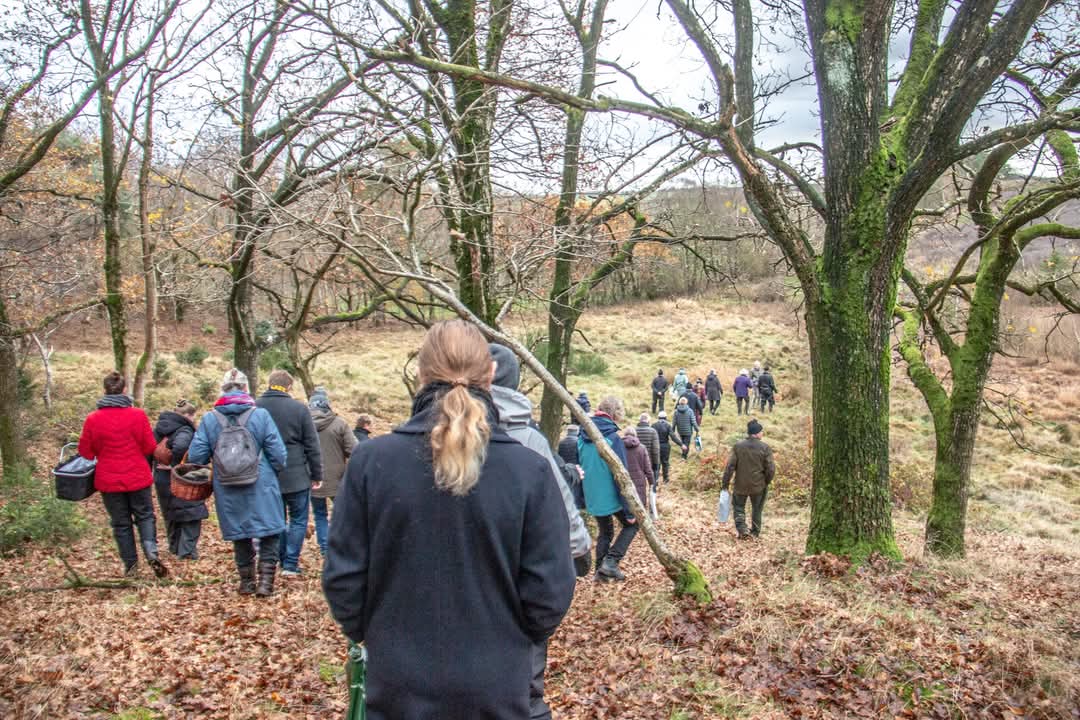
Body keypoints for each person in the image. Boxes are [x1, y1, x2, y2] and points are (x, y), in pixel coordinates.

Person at [323, 321, 575, 720]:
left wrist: (383, 637)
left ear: (421, 375)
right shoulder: (530, 471)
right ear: (490, 376)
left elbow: (343, 579)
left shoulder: (372, 463)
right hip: (497, 686)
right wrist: (509, 640)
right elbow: (550, 590)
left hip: (398, 684)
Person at [487, 343, 591, 720]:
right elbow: (562, 506)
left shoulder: (446, 432)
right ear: (514, 383)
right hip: (519, 578)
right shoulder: (529, 440)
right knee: (525, 686)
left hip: (465, 580)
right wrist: (580, 551)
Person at [188, 368, 288, 596]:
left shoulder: (210, 419)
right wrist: (273, 471)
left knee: (240, 531)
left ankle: (246, 582)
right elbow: (278, 454)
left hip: (227, 483)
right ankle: (266, 582)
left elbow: (196, 456)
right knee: (269, 529)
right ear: (246, 389)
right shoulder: (260, 415)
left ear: (222, 390)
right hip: (261, 480)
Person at [78, 371, 168, 578]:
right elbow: (149, 446)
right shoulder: (137, 415)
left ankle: (131, 566)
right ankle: (151, 552)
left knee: (121, 523)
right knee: (145, 515)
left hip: (108, 480)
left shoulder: (93, 419)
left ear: (104, 390)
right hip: (137, 475)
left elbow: (85, 452)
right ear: (125, 389)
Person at [256, 369, 323, 577]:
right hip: (296, 475)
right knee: (298, 520)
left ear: (270, 383)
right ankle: (290, 564)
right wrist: (317, 474)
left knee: (277, 519)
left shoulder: (255, 407)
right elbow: (312, 444)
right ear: (289, 387)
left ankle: (278, 557)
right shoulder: (299, 409)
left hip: (266, 474)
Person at [578, 396, 637, 582]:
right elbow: (622, 476)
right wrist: (628, 510)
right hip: (610, 496)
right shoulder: (613, 438)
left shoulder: (582, 435)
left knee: (606, 531)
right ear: (615, 413)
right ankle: (610, 563)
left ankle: (600, 573)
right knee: (633, 525)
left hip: (592, 496)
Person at [152, 399, 207, 560]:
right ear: (188, 415)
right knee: (192, 512)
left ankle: (175, 547)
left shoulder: (160, 428)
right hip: (182, 477)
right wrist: (178, 465)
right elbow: (181, 447)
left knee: (171, 513)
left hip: (161, 477)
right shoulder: (184, 430)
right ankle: (187, 552)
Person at [308, 388, 357, 557]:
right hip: (338, 479)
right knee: (343, 513)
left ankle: (325, 548)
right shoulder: (339, 423)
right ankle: (344, 544)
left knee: (320, 514)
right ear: (327, 404)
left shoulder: (303, 424)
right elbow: (354, 449)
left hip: (313, 477)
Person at [721, 420, 775, 539]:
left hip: (740, 484)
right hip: (759, 485)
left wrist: (725, 483)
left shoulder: (738, 446)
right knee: (757, 509)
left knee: (739, 507)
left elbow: (730, 467)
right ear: (756, 433)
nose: (762, 434)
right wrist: (766, 481)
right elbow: (771, 469)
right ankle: (755, 532)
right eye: (761, 432)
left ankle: (742, 530)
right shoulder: (765, 448)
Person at [620, 427, 653, 518]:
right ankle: (640, 519)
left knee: (627, 499)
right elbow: (648, 468)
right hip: (639, 479)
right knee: (640, 498)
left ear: (625, 435)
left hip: (624, 478)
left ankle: (629, 518)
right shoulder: (642, 448)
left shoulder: (619, 447)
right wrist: (651, 481)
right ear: (635, 435)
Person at [558, 424, 585, 509]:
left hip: (565, 468)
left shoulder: (561, 442)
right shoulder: (578, 442)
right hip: (577, 468)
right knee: (577, 488)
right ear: (576, 432)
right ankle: (578, 505)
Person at [635, 413, 660, 487]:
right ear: (648, 421)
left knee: (638, 482)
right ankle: (652, 494)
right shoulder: (653, 431)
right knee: (651, 483)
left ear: (639, 420)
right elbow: (655, 449)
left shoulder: (634, 430)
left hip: (637, 460)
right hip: (649, 460)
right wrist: (656, 463)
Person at [651, 411, 675, 484]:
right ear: (666, 418)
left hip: (656, 446)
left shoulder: (653, 425)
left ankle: (656, 480)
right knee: (665, 463)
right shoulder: (668, 426)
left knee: (656, 463)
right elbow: (673, 437)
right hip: (665, 446)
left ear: (658, 417)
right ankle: (665, 479)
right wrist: (681, 444)